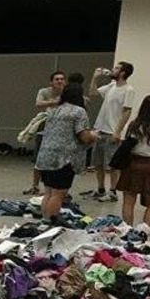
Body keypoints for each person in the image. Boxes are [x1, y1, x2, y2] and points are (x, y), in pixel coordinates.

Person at [34, 83, 97, 222]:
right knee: (58, 194)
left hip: (45, 156)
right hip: (64, 159)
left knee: (48, 192)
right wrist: (94, 135)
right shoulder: (78, 112)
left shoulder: (54, 110)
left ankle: (44, 220)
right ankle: (52, 221)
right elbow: (84, 137)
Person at [116, 95, 150, 226]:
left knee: (129, 200)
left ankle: (127, 229)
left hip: (133, 163)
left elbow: (125, 144)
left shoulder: (134, 125)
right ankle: (145, 231)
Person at [88, 61, 136, 202]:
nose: (113, 70)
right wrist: (95, 77)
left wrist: (117, 131)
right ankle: (100, 189)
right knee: (98, 163)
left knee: (112, 164)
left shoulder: (128, 90)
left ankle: (113, 191)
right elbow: (93, 93)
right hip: (100, 129)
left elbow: (127, 111)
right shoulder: (111, 86)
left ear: (123, 72)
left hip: (112, 131)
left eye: (116, 68)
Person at [26, 71, 67, 195]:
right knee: (39, 158)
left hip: (61, 128)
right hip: (45, 126)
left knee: (57, 160)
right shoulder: (44, 91)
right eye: (57, 79)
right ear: (51, 82)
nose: (59, 81)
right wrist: (56, 102)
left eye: (62, 79)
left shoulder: (68, 93)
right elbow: (38, 103)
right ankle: (35, 186)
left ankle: (53, 187)